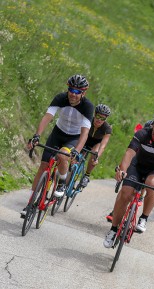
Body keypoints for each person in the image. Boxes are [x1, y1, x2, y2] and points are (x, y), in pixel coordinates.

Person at [103, 109, 154, 248]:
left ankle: (143, 218)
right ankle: (113, 230)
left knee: (153, 183)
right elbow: (129, 153)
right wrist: (122, 170)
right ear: (153, 123)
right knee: (125, 192)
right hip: (137, 166)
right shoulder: (142, 134)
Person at [22, 74, 94, 217]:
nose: (73, 94)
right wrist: (37, 135)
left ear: (83, 93)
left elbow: (85, 133)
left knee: (62, 155)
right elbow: (47, 117)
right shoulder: (61, 98)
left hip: (74, 137)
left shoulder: (87, 106)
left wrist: (77, 151)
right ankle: (30, 203)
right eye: (71, 90)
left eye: (77, 91)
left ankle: (61, 182)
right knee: (43, 166)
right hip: (58, 133)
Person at [105, 119, 152, 222]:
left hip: (147, 169)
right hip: (135, 165)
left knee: (147, 180)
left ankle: (141, 196)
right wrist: (121, 168)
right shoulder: (140, 139)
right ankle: (115, 211)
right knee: (124, 189)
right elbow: (129, 156)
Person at [79, 104, 113, 187]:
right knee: (77, 158)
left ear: (105, 119)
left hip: (96, 143)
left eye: (103, 118)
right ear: (94, 114)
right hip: (85, 138)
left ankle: (87, 175)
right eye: (98, 116)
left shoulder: (107, 128)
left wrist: (97, 157)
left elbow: (103, 145)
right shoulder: (88, 120)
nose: (99, 120)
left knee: (95, 153)